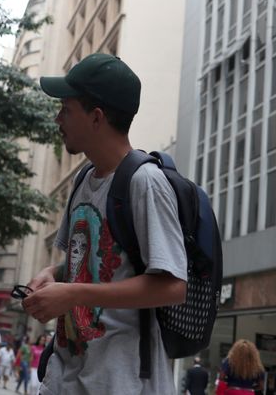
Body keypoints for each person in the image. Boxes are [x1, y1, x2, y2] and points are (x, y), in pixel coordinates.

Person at [22, 53, 188, 394]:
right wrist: (54, 275)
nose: (57, 119)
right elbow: (92, 264)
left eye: (66, 110)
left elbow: (173, 286)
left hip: (121, 381)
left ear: (96, 117)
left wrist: (72, 293)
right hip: (67, 375)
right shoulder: (82, 180)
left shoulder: (146, 183)